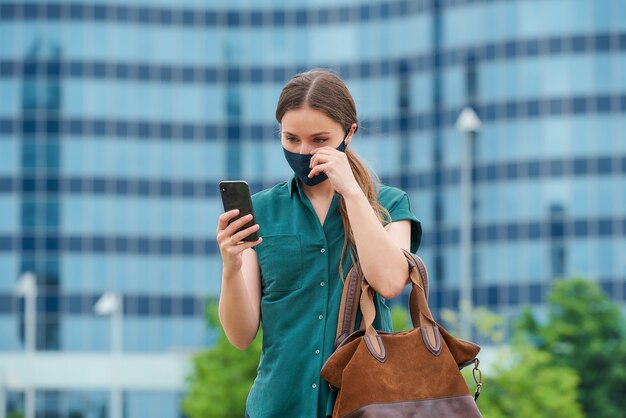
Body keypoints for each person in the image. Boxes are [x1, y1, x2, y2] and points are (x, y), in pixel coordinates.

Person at [216, 69, 421, 418]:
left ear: (349, 132)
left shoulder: (389, 204)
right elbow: (240, 335)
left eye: (319, 140)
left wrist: (353, 193)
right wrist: (231, 265)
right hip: (277, 406)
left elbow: (389, 282)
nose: (303, 150)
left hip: (364, 405)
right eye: (291, 139)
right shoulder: (262, 209)